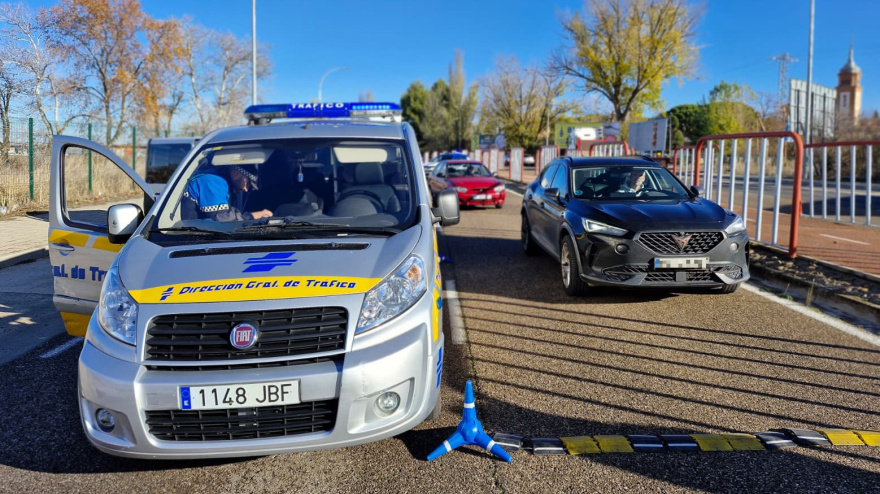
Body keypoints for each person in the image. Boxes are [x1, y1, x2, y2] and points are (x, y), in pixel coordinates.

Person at [182, 164, 273, 221]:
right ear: (236, 174)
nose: (246, 189)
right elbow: (222, 220)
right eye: (248, 183)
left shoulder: (220, 181)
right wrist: (256, 215)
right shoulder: (212, 182)